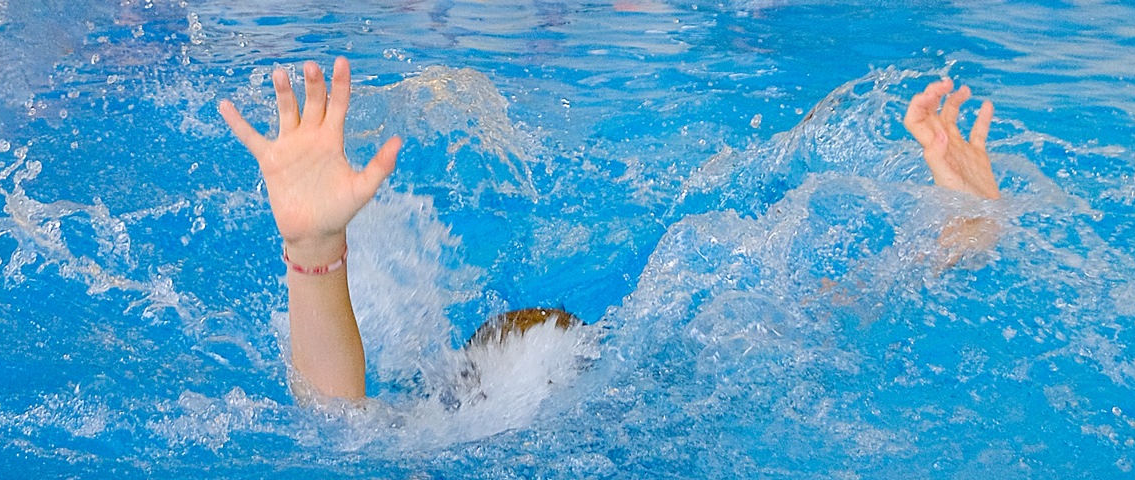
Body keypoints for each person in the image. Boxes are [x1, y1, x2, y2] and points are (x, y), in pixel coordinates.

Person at [219, 60, 1000, 401]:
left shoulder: (436, 452)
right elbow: (822, 311)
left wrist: (314, 251)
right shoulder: (637, 403)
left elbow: (337, 418)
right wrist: (964, 235)